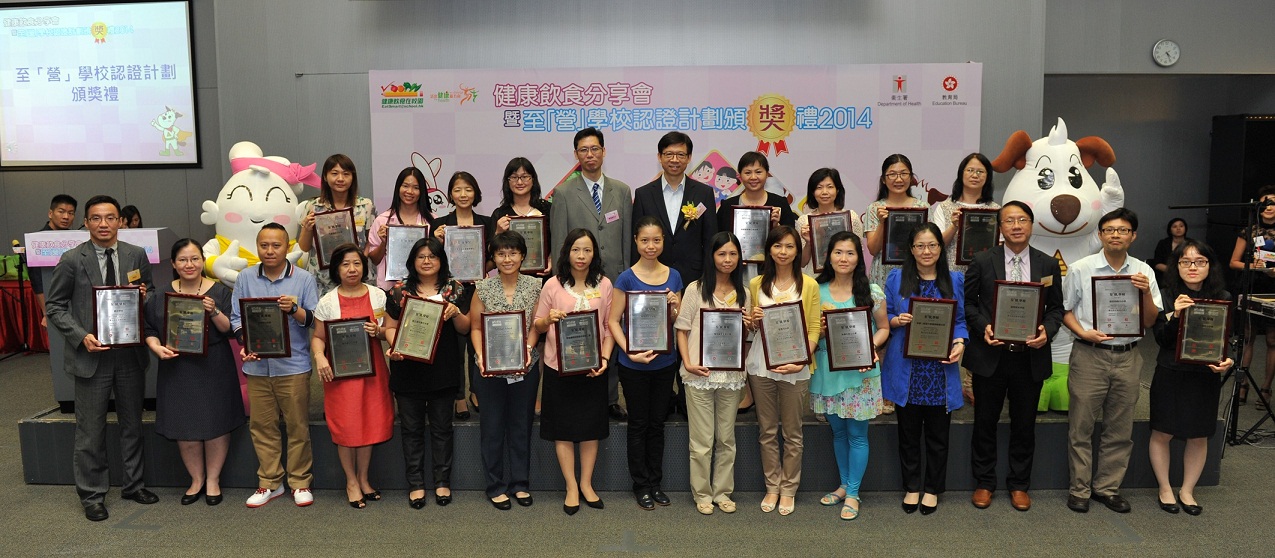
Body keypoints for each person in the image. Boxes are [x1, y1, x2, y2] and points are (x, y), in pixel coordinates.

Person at [45, 195, 157, 521]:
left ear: (120, 222)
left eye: (110, 218)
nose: (104, 224)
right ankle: (93, 495)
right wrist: (81, 336)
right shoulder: (71, 259)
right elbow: (55, 306)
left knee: (132, 425)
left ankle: (134, 485)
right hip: (91, 356)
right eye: (96, 218)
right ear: (86, 222)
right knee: (90, 431)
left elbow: (146, 289)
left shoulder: (136, 255)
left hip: (128, 355)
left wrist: (144, 297)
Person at [963, 202, 1063, 512]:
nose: (1016, 225)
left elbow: (1056, 309)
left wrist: (1047, 330)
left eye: (1022, 220)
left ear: (1032, 225)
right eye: (1009, 220)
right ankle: (984, 482)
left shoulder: (1047, 265)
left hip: (1028, 356)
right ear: (1001, 227)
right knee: (984, 423)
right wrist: (985, 328)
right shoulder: (981, 260)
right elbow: (969, 306)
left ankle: (1019, 484)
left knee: (1024, 424)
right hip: (991, 354)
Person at [1062, 208, 1161, 514]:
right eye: (1109, 229)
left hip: (1128, 356)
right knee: (1081, 426)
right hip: (1089, 355)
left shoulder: (1144, 272)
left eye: (1123, 230)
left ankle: (1107, 488)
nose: (1116, 234)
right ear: (1100, 234)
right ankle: (1079, 489)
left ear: (1133, 236)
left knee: (1120, 428)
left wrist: (1144, 293)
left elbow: (1150, 319)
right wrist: (1084, 333)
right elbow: (1065, 311)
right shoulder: (1081, 268)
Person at [142, 239, 244, 506]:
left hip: (213, 366)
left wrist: (214, 311)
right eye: (183, 260)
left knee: (216, 424)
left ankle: (213, 480)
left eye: (195, 258)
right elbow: (150, 329)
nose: (190, 265)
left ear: (203, 261)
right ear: (174, 264)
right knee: (183, 425)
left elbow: (229, 328)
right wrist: (156, 348)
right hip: (176, 367)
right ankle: (196, 479)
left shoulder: (220, 291)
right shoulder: (161, 294)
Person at [230, 223, 320, 509]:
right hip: (256, 368)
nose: (270, 251)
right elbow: (236, 318)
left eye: (276, 245)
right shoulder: (245, 277)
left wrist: (294, 310)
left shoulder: (303, 278)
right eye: (264, 245)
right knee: (262, 426)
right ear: (257, 247)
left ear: (287, 247)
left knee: (297, 427)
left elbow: (313, 320)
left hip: (292, 366)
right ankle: (270, 482)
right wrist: (246, 343)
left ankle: (300, 482)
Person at [881, 222, 968, 515]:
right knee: (907, 435)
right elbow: (886, 317)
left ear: (941, 248)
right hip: (908, 369)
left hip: (940, 371)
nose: (926, 251)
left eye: (932, 245)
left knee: (938, 436)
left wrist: (960, 342)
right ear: (911, 249)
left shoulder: (955, 280)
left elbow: (961, 321)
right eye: (920, 245)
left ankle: (932, 489)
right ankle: (912, 487)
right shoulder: (896, 279)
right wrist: (897, 321)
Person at [549, 127, 633, 421]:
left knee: (610, 333)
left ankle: (609, 398)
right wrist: (564, 278)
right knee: (582, 335)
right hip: (577, 280)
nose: (590, 155)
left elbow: (625, 240)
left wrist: (624, 276)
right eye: (583, 150)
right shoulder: (562, 193)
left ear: (604, 151)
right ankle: (579, 391)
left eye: (595, 149)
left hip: (614, 282)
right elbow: (560, 240)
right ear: (576, 155)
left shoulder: (621, 191)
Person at [384, 237, 471, 509]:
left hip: (442, 370)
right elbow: (389, 327)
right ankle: (416, 484)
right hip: (407, 368)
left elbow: (465, 328)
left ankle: (442, 482)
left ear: (441, 260)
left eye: (432, 256)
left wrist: (456, 313)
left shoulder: (454, 289)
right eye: (421, 256)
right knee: (411, 430)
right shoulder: (399, 292)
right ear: (412, 261)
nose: (426, 261)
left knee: (442, 429)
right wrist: (394, 346)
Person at [1149, 239, 1234, 516]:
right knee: (1163, 431)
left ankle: (1187, 490)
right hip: (1171, 371)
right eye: (1186, 262)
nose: (1193, 267)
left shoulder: (1223, 296)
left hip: (1204, 375)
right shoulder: (1164, 294)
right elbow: (1161, 338)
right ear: (1177, 266)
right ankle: (1164, 488)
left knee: (1199, 435)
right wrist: (1176, 315)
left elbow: (1225, 339)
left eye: (1200, 261)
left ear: (1210, 265)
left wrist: (1227, 359)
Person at [534, 229, 614, 515]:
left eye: (587, 250)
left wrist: (604, 358)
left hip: (592, 368)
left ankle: (587, 484)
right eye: (576, 250)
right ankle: (570, 486)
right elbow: (538, 325)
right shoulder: (552, 286)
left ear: (595, 254)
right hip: (560, 368)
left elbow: (608, 327)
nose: (581, 256)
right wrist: (548, 318)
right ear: (567, 252)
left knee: (590, 429)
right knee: (564, 431)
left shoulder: (604, 285)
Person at [608, 216, 684, 511]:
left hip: (664, 362)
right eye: (644, 240)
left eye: (656, 240)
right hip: (634, 364)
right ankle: (640, 485)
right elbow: (614, 321)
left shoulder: (674, 276)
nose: (650, 246)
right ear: (636, 242)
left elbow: (673, 321)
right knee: (638, 424)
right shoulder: (625, 278)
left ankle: (656, 482)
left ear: (663, 241)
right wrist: (629, 351)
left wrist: (675, 307)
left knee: (657, 424)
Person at [811, 231, 888, 521]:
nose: (844, 258)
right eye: (838, 252)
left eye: (850, 253)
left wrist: (872, 348)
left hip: (860, 374)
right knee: (838, 432)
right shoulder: (815, 291)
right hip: (828, 372)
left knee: (857, 435)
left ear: (859, 258)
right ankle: (843, 485)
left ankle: (853, 493)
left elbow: (883, 329)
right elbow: (810, 332)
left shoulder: (872, 291)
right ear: (829, 256)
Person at [311, 244, 394, 509]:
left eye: (357, 263)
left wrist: (378, 333)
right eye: (345, 264)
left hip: (373, 372)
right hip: (341, 375)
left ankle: (363, 478)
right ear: (336, 268)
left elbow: (388, 331)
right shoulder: (327, 302)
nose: (352, 269)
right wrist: (320, 356)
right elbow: (318, 338)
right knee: (347, 427)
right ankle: (350, 481)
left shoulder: (379, 296)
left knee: (368, 423)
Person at [675, 232, 752, 515]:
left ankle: (722, 492)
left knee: (726, 439)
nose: (727, 260)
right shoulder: (696, 289)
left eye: (733, 254)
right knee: (702, 440)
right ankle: (703, 494)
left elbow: (746, 334)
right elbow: (681, 330)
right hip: (698, 374)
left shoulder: (744, 291)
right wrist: (688, 362)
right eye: (722, 254)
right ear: (712, 256)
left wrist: (750, 324)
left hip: (731, 376)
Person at [746, 225, 820, 516]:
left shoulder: (809, 284)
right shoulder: (757, 284)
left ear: (797, 251)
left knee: (792, 432)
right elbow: (753, 327)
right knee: (766, 430)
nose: (783, 252)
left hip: (795, 367)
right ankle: (772, 486)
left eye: (789, 247)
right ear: (769, 250)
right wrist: (751, 320)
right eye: (778, 246)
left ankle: (789, 488)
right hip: (761, 366)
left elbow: (814, 328)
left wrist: (802, 359)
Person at [469, 231, 541, 510]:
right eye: (501, 254)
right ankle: (495, 485)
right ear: (493, 258)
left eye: (513, 253)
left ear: (523, 255)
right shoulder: (483, 288)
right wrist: (480, 355)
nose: (507, 258)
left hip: (525, 366)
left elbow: (535, 325)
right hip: (489, 370)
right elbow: (476, 327)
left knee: (521, 425)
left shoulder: (536, 286)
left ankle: (520, 484)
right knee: (492, 426)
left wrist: (526, 349)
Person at [433, 171, 495, 421]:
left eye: (468, 189)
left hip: (479, 289)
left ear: (475, 193)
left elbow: (495, 258)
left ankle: (476, 391)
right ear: (450, 194)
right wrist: (435, 239)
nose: (463, 194)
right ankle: (459, 395)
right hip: (452, 290)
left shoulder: (486, 222)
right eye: (457, 190)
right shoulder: (442, 223)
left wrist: (482, 270)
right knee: (455, 347)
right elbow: (432, 259)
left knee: (478, 343)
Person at [631, 131, 718, 284]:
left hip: (694, 277)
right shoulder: (643, 194)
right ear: (660, 157)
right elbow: (636, 240)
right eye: (669, 154)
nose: (674, 160)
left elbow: (710, 239)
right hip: (652, 275)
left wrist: (709, 277)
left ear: (689, 158)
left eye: (681, 155)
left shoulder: (704, 193)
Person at [298, 154, 377, 296]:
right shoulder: (313, 206)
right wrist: (307, 228)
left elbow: (371, 242)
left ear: (352, 178)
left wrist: (361, 260)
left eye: (346, 174)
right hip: (323, 279)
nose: (340, 179)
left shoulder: (365, 206)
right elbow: (304, 247)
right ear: (325, 177)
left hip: (356, 276)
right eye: (334, 173)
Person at [1229, 188, 1275, 407]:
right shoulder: (1249, 230)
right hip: (1253, 285)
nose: (1269, 207)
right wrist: (1252, 266)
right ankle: (1243, 384)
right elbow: (1234, 262)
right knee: (1247, 337)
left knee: (1272, 340)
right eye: (1265, 203)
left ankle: (1266, 388)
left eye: (1274, 203)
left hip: (1274, 288)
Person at [865, 153, 929, 287]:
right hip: (883, 274)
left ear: (911, 177)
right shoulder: (875, 208)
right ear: (883, 179)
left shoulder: (922, 208)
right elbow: (873, 249)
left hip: (915, 271)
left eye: (904, 174)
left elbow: (928, 244)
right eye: (892, 174)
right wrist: (883, 223)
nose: (898, 179)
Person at [930, 153, 1000, 274]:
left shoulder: (996, 210)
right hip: (950, 275)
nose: (975, 175)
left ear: (988, 176)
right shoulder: (945, 207)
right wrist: (954, 226)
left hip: (985, 274)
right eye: (970, 170)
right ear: (961, 173)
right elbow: (935, 245)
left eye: (980, 172)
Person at [366, 166, 434, 291]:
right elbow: (374, 260)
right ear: (398, 188)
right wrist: (384, 242)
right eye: (405, 186)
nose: (410, 191)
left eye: (416, 187)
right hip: (389, 289)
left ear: (422, 192)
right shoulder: (382, 220)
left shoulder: (432, 222)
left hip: (424, 289)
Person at [491, 157, 553, 277]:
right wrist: (498, 232)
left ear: (533, 179)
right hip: (510, 280)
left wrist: (552, 261)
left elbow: (559, 241)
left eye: (525, 177)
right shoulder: (500, 214)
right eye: (514, 177)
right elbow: (491, 253)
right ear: (507, 181)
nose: (519, 182)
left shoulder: (548, 209)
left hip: (543, 277)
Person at [797, 168, 863, 276]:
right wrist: (809, 242)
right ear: (812, 192)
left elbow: (858, 254)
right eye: (819, 187)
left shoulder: (850, 217)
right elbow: (802, 262)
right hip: (815, 279)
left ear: (837, 190)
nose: (824, 192)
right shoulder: (804, 221)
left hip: (844, 278)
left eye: (830, 187)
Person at [715, 151, 797, 237]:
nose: (753, 177)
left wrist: (776, 226)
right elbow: (719, 239)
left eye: (758, 172)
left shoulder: (780, 204)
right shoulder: (727, 206)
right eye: (748, 173)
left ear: (766, 174)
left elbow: (791, 239)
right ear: (740, 176)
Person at [32, 194, 78, 328]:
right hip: (53, 304)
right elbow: (37, 280)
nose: (66, 217)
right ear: (50, 213)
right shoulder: (38, 241)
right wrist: (46, 312)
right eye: (61, 211)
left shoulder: (75, 239)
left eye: (71, 213)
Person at [1151, 217, 1189, 285]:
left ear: (1185, 228)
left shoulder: (1192, 243)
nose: (1178, 228)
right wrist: (1174, 271)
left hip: (1188, 275)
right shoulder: (1163, 243)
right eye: (1174, 226)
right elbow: (1157, 264)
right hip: (1167, 276)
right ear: (1170, 230)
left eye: (1181, 226)